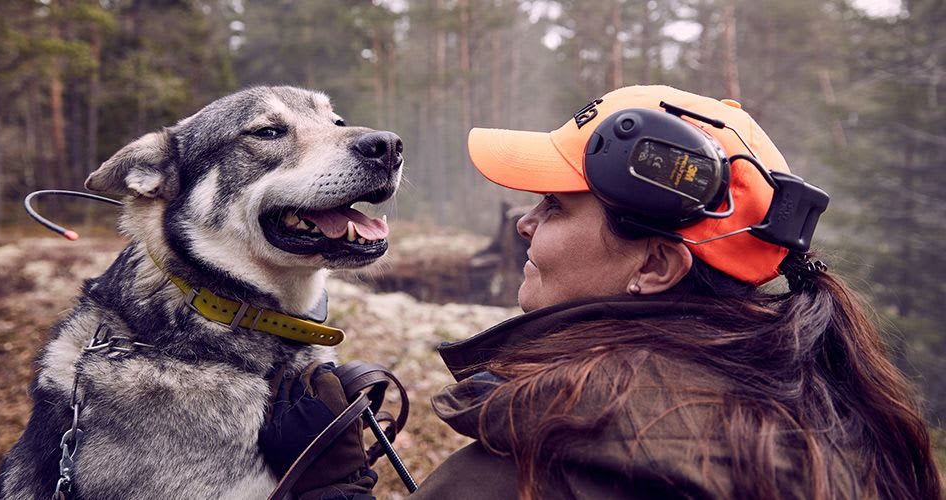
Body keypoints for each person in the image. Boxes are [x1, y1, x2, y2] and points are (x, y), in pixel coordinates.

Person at [258, 86, 942, 500]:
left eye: (555, 206)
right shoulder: (843, 427)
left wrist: (329, 490)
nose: (524, 221)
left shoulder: (536, 469)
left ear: (655, 267)